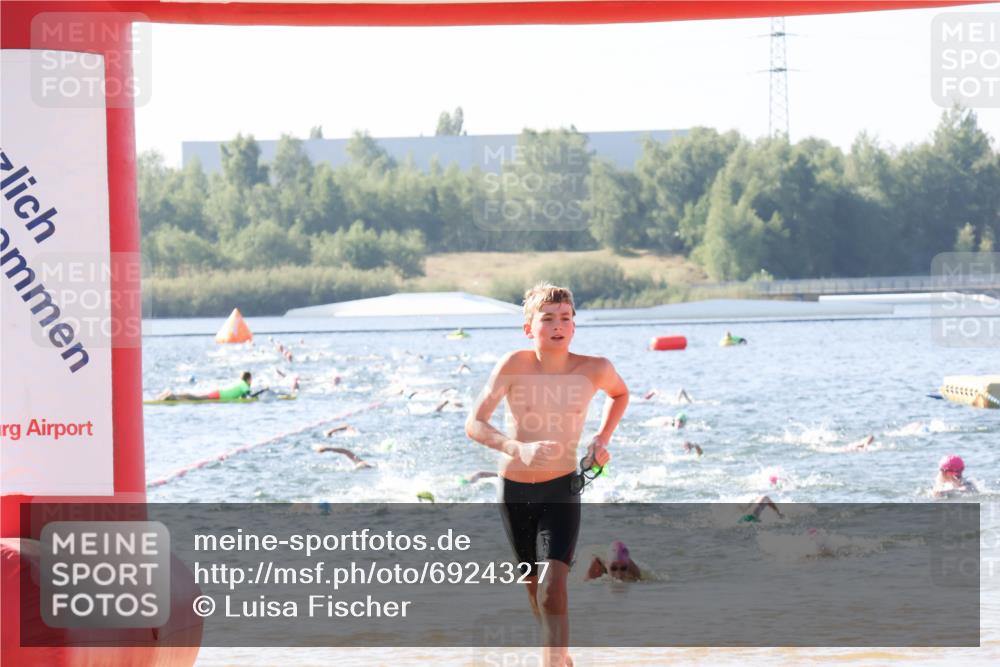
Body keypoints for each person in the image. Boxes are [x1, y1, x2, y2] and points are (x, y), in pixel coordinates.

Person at [465, 282, 629, 667]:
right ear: (529, 328)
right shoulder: (513, 365)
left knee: (553, 588)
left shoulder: (595, 369)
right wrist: (517, 448)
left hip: (562, 488)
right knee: (535, 592)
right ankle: (559, 658)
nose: (559, 325)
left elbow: (620, 394)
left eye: (566, 318)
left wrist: (601, 439)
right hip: (515, 492)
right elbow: (474, 422)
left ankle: (551, 663)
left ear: (574, 327)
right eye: (549, 318)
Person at [156, 371, 252, 402]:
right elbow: (249, 395)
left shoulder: (240, 382)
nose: (251, 382)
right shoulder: (244, 384)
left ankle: (174, 395)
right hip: (220, 395)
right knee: (197, 398)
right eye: (251, 380)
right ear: (248, 379)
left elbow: (243, 396)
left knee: (197, 397)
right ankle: (172, 396)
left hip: (219, 393)